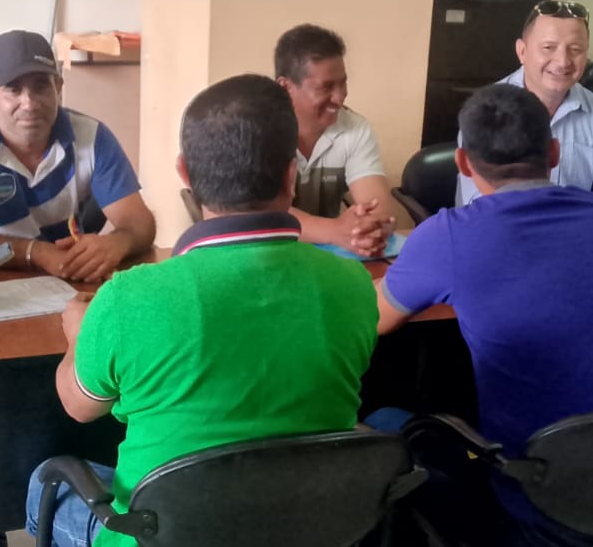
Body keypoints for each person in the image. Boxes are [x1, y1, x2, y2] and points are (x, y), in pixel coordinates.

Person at [26, 74, 378, 546]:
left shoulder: (129, 297)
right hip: (304, 529)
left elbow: (78, 405)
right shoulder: (354, 285)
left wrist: (77, 335)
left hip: (163, 535)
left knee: (43, 483)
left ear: (185, 174)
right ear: (291, 175)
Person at [376, 84, 593, 545]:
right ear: (554, 152)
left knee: (386, 420)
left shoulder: (449, 235)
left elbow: (375, 318)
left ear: (463, 163)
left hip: (541, 506)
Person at [0, 29, 155, 282]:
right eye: (13, 89)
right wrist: (35, 253)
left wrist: (117, 243)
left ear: (58, 87)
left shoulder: (93, 136)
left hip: (68, 279)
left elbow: (140, 222)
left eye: (41, 86)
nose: (30, 103)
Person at [456, 0, 593, 238]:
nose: (563, 61)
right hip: (500, 236)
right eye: (549, 47)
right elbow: (477, 202)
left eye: (575, 50)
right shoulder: (486, 109)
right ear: (522, 51)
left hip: (572, 239)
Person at [274, 24, 397, 256]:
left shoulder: (355, 129)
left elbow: (380, 207)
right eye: (326, 87)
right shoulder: (259, 131)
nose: (339, 98)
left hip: (330, 258)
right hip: (269, 257)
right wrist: (334, 230)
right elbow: (260, 215)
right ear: (286, 87)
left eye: (343, 83)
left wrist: (372, 229)